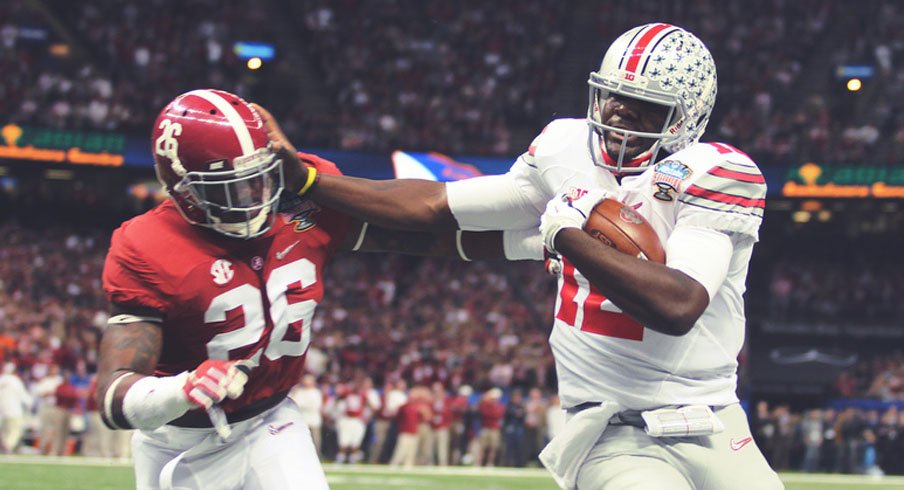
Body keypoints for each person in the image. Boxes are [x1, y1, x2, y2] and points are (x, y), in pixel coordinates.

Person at [259, 22, 783, 490]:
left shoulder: (715, 174)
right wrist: (310, 181)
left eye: (645, 105)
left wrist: (567, 237)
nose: (621, 113)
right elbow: (437, 204)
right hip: (609, 424)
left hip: (712, 416)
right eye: (613, 96)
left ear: (685, 119)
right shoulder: (565, 149)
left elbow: (679, 306)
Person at [95, 89, 477, 490]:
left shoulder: (302, 194)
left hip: (270, 421)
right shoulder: (146, 244)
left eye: (262, 175)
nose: (256, 194)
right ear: (185, 189)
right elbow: (114, 396)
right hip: (176, 437)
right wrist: (182, 389)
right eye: (233, 187)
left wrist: (520, 239)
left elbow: (422, 227)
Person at [0, 362, 32, 454]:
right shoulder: (15, 381)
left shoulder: (1, 380)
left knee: (5, 431)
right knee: (14, 431)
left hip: (2, 412)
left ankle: (4, 447)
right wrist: (30, 403)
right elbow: (24, 396)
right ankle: (7, 447)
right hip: (14, 411)